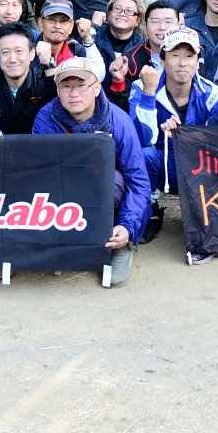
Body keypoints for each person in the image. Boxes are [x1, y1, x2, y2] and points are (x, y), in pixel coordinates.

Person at [32, 55, 151, 285]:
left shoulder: (119, 121)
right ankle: (65, 240)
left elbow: (138, 180)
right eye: (66, 86)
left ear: (97, 88)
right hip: (65, 189)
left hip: (106, 194)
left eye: (81, 85)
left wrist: (127, 226)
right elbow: (40, 171)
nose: (74, 94)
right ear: (57, 91)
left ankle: (119, 244)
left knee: (115, 181)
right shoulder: (46, 118)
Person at [129, 28, 218, 194]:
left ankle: (206, 206)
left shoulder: (215, 95)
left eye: (189, 56)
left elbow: (217, 147)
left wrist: (183, 135)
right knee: (144, 155)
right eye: (175, 55)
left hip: (200, 169)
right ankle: (148, 203)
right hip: (163, 165)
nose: (183, 63)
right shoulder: (142, 86)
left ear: (197, 62)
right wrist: (149, 93)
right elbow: (141, 140)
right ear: (162, 60)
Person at [0, 21, 59, 135]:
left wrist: (48, 66)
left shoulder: (43, 82)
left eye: (19, 51)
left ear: (32, 53)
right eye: (5, 52)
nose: (12, 59)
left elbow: (59, 111)